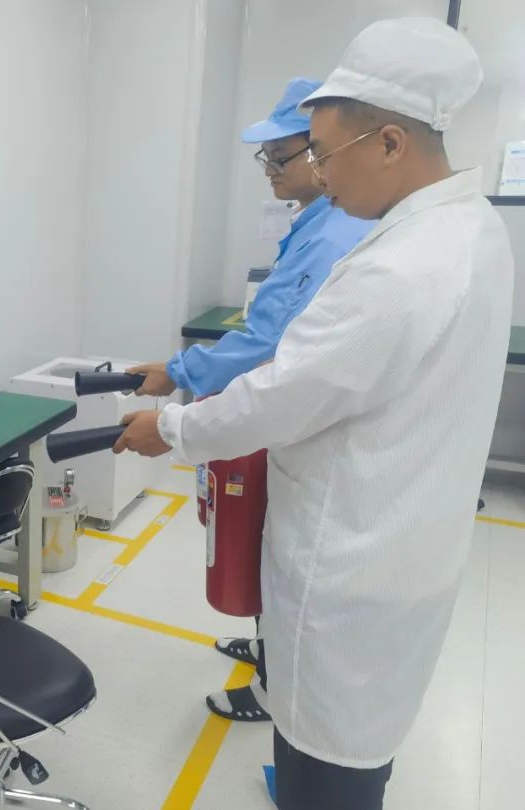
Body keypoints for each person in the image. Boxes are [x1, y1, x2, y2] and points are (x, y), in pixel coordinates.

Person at [114, 17, 511, 810]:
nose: (321, 175)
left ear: (390, 143)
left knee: (328, 757)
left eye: (324, 153)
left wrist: (174, 426)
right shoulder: (471, 228)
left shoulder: (400, 266)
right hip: (405, 543)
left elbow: (286, 388)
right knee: (361, 736)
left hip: (352, 561)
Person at [131, 78, 372, 725]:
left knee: (286, 565)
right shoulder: (318, 222)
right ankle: (268, 650)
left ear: (324, 153)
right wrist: (178, 374)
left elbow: (268, 341)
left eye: (281, 155)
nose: (270, 169)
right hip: (296, 437)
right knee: (269, 551)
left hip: (309, 443)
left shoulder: (333, 235)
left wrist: (177, 385)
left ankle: (272, 686)